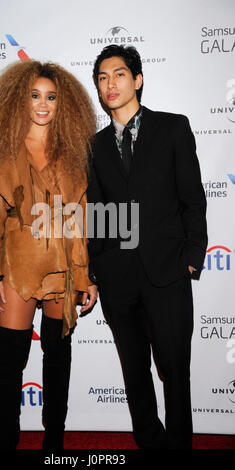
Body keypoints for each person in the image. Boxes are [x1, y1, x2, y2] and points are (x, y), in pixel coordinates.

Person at [0, 59, 98, 450]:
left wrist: (85, 275)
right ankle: (5, 444)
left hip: (63, 270)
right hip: (18, 268)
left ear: (64, 104)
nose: (43, 104)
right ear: (18, 101)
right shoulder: (1, 153)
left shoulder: (74, 154)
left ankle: (53, 447)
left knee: (58, 363)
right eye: (35, 96)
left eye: (51, 97)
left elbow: (78, 223)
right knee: (8, 366)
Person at [87, 45, 207, 449]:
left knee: (175, 372)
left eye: (119, 74)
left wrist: (192, 259)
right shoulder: (95, 147)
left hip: (168, 274)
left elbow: (193, 199)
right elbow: (97, 214)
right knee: (135, 374)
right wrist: (95, 269)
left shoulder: (173, 128)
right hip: (119, 282)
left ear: (137, 79)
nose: (110, 84)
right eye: (102, 78)